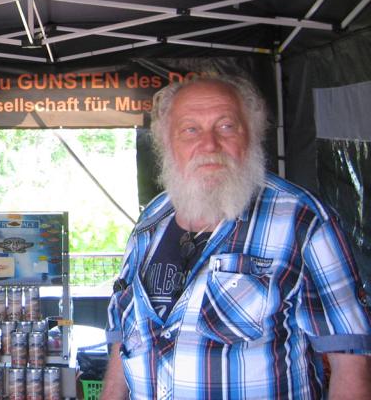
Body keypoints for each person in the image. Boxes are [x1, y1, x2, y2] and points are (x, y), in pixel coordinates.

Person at [102, 74, 371, 400]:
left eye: (227, 126)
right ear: (166, 143)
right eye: (190, 130)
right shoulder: (151, 221)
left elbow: (351, 363)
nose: (209, 144)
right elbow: (125, 338)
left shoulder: (302, 220)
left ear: (252, 134)